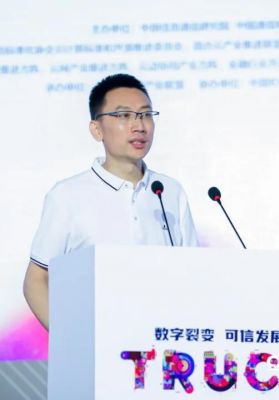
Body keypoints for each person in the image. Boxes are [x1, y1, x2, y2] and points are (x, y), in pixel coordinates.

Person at [23, 74, 198, 330]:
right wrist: (70, 338)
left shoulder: (170, 192)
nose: (139, 126)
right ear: (97, 129)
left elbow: (193, 274)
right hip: (97, 341)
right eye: (124, 115)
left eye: (146, 114)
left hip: (162, 343)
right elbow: (36, 280)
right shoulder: (67, 195)